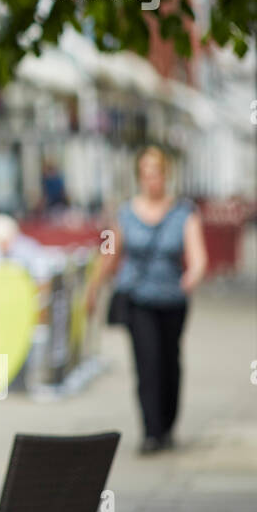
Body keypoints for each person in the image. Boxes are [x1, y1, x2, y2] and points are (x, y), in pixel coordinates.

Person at [85, 146, 208, 454]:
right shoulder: (125, 213)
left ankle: (167, 425)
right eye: (147, 173)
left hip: (172, 298)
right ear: (140, 176)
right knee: (147, 362)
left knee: (170, 362)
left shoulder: (184, 212)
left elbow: (198, 254)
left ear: (165, 176)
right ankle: (151, 431)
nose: (152, 179)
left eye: (157, 173)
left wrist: (192, 276)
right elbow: (110, 252)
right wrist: (93, 288)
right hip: (138, 298)